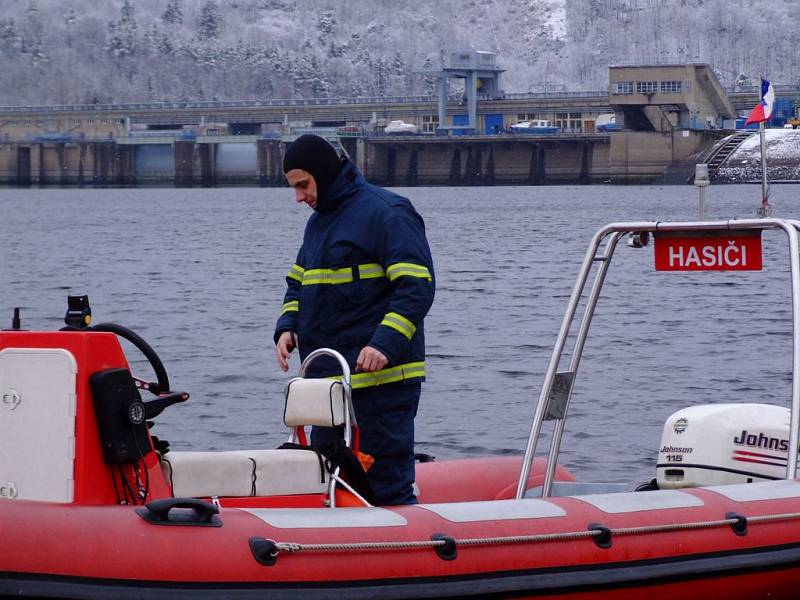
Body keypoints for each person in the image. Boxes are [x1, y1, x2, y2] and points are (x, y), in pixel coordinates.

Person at [274, 134, 435, 506]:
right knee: (329, 483)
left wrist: (383, 343)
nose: (298, 197)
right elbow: (298, 283)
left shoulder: (387, 212)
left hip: (381, 385)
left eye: (303, 185)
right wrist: (286, 328)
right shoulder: (318, 225)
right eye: (293, 188)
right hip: (327, 386)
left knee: (384, 486)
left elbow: (416, 287)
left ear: (324, 173)